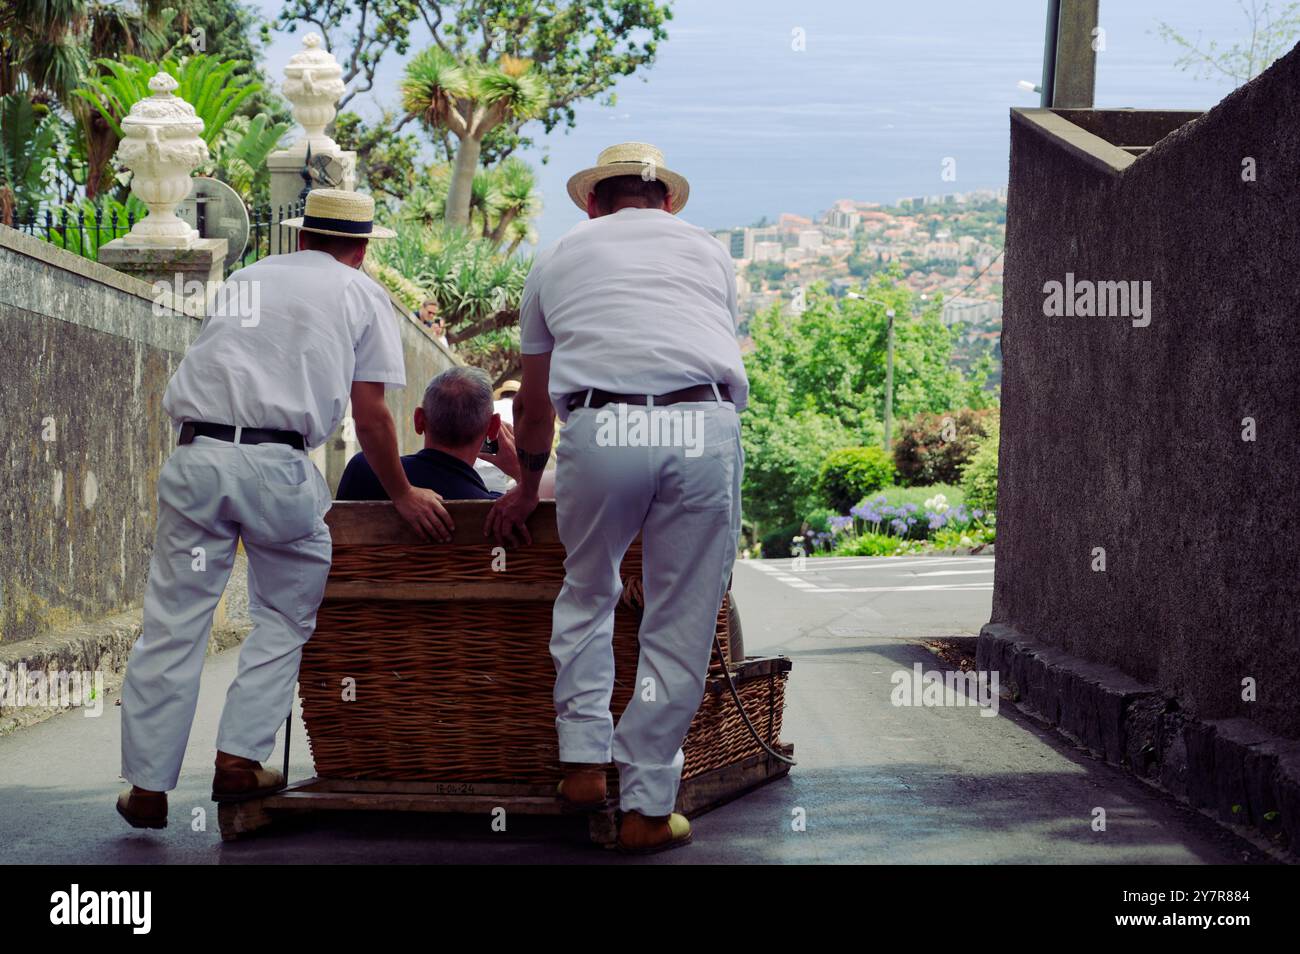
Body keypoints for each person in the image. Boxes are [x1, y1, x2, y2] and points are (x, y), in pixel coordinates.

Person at [116, 188, 453, 830]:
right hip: (278, 466)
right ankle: (240, 758)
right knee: (282, 613)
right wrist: (403, 493)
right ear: (359, 250)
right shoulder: (361, 294)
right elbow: (372, 412)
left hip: (200, 455)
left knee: (175, 621)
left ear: (302, 238)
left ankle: (148, 786)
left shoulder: (246, 276)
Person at [485, 142, 749, 854]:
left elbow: (533, 404)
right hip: (701, 420)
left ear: (593, 202)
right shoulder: (709, 252)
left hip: (605, 424)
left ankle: (581, 766)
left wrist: (524, 477)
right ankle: (646, 811)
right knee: (680, 619)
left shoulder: (559, 255)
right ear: (666, 201)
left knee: (588, 590)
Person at [336, 366, 518, 501]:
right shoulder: (495, 510)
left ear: (419, 420)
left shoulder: (364, 469)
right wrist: (521, 472)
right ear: (493, 427)